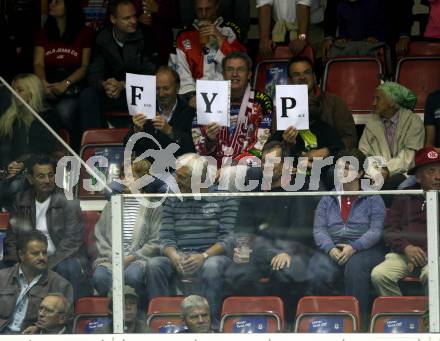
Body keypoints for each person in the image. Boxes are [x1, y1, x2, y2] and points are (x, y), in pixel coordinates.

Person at [147, 153, 237, 328]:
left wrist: (203, 256)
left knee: (213, 266)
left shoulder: (225, 198)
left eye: (181, 177)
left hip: (211, 256)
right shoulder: (173, 200)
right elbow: (165, 238)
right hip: (179, 256)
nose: (176, 181)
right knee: (154, 265)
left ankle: (211, 324)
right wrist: (174, 257)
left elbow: (229, 239)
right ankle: (163, 323)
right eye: (176, 175)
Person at [307, 148, 386, 328]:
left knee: (355, 267)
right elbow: (319, 230)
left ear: (359, 173)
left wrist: (355, 247)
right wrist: (330, 248)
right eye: (339, 167)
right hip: (333, 247)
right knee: (317, 268)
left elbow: (376, 231)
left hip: (366, 249)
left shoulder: (373, 197)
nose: (341, 172)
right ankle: (323, 321)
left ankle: (356, 323)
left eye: (347, 168)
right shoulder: (328, 198)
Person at [224, 141, 312, 297]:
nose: (266, 166)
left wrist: (287, 252)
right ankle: (254, 317)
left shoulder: (299, 189)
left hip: (288, 251)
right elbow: (243, 226)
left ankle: (284, 320)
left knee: (285, 272)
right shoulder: (254, 190)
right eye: (264, 161)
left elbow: (300, 227)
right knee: (237, 274)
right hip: (257, 252)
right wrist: (242, 249)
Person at [4, 154, 85, 299]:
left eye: (50, 175)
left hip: (59, 258)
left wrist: (47, 264)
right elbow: (11, 238)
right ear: (30, 179)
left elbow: (72, 242)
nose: (47, 180)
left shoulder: (68, 201)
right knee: (4, 269)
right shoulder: (21, 201)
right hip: (27, 258)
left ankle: (67, 315)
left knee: (69, 267)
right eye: (41, 176)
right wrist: (19, 263)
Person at [371, 146, 440, 296]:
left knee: (432, 275)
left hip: (436, 256)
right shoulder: (405, 196)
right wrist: (407, 248)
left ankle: (432, 318)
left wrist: (423, 255)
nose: (438, 176)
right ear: (419, 177)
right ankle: (401, 317)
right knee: (380, 275)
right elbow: (390, 230)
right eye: (431, 171)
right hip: (404, 253)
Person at [79, 0, 156, 131]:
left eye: (134, 16)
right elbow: (93, 73)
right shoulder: (102, 37)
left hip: (138, 94)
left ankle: (146, 144)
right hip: (110, 94)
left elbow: (151, 73)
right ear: (113, 19)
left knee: (152, 93)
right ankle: (94, 145)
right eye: (127, 18)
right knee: (88, 95)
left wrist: (123, 85)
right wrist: (105, 84)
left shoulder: (146, 35)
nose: (133, 21)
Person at [93, 159, 161, 301]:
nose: (124, 180)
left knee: (133, 276)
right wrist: (113, 257)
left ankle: (137, 313)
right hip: (111, 259)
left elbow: (155, 242)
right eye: (124, 176)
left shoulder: (153, 206)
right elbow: (100, 236)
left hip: (139, 260)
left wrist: (131, 258)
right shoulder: (112, 204)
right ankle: (112, 315)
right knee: (100, 277)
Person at [192, 51, 273, 166]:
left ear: (249, 74)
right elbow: (196, 143)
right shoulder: (208, 99)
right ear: (223, 74)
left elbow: (261, 144)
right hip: (212, 169)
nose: (235, 74)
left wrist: (234, 166)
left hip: (246, 169)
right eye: (230, 69)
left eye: (240, 69)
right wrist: (209, 140)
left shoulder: (261, 101)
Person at [0, 74, 61, 211]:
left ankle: (21, 224)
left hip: (41, 169)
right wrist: (8, 166)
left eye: (20, 90)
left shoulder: (48, 116)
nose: (15, 94)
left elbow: (45, 151)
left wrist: (23, 164)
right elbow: (4, 149)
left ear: (32, 91)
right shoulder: (10, 119)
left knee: (17, 185)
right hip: (13, 170)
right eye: (13, 90)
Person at [33, 0, 94, 129]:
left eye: (57, 2)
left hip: (72, 87)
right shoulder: (44, 32)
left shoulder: (84, 32)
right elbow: (38, 63)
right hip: (47, 84)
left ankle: (67, 148)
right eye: (51, 1)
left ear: (69, 7)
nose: (51, 4)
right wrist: (43, 82)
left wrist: (65, 84)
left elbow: (84, 67)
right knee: (35, 112)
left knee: (63, 112)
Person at [173, 0, 246, 106]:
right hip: (195, 96)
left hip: (227, 95)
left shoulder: (229, 31)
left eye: (208, 9)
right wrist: (192, 96)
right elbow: (182, 74)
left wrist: (219, 38)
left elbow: (240, 66)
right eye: (199, 9)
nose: (203, 14)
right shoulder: (184, 36)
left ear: (217, 6)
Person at [0, 230, 73, 334]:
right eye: (35, 254)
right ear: (21, 255)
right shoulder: (2, 278)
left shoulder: (61, 285)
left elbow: (65, 323)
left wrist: (39, 328)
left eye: (44, 253)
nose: (42, 257)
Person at [359, 82, 424, 192]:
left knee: (386, 187)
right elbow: (364, 153)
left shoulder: (413, 121)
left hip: (406, 172)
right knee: (361, 184)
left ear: (393, 103)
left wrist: (387, 169)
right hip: (375, 173)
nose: (373, 103)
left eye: (378, 99)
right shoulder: (372, 123)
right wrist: (376, 172)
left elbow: (411, 156)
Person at [124, 66, 195, 159]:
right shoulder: (145, 110)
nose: (161, 94)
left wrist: (170, 131)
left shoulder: (189, 112)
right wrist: (137, 130)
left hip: (179, 169)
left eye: (166, 88)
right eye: (157, 89)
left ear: (177, 88)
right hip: (149, 169)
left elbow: (192, 148)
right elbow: (127, 145)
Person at [287, 56, 357, 148]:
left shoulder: (334, 102)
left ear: (314, 77)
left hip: (331, 159)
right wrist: (286, 144)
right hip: (295, 159)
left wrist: (328, 151)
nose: (302, 77)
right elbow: (275, 144)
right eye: (296, 74)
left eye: (306, 73)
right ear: (290, 81)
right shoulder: (282, 107)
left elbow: (350, 138)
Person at [257, 0, 326, 58]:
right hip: (280, 28)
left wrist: (302, 38)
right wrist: (264, 39)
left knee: (309, 61)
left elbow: (304, 4)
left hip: (309, 27)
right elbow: (264, 5)